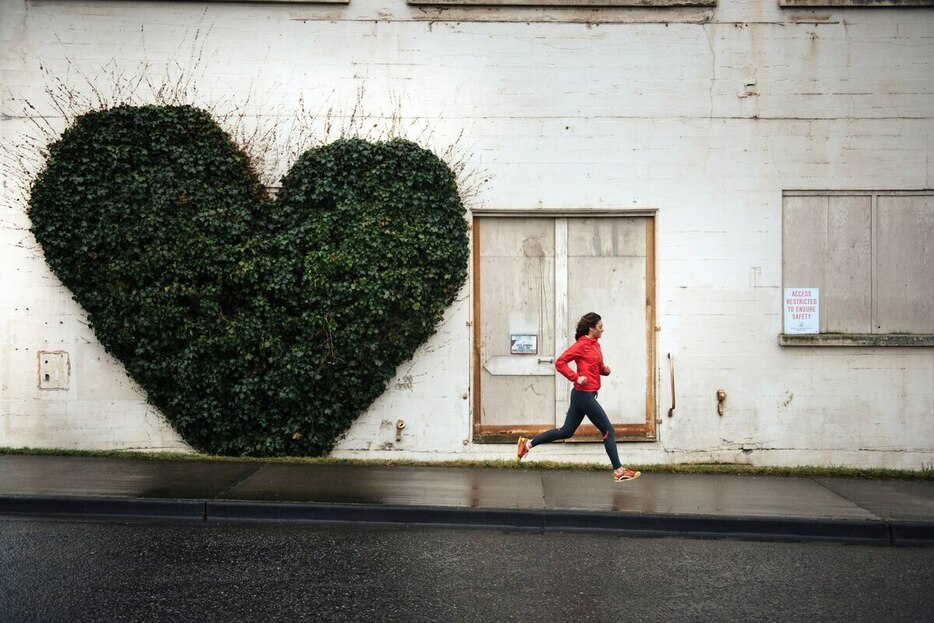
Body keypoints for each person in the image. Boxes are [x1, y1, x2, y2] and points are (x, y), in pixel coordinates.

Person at [516, 312, 641, 482]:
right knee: (608, 430)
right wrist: (575, 377)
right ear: (591, 328)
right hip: (583, 395)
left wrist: (604, 370)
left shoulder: (596, 345)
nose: (603, 330)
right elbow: (560, 363)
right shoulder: (581, 345)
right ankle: (619, 471)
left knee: (566, 431)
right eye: (600, 327)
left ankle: (527, 444)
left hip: (584, 395)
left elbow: (596, 365)